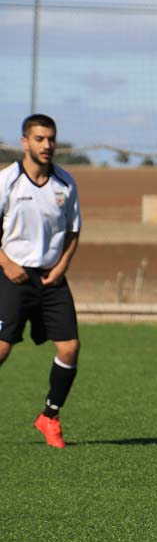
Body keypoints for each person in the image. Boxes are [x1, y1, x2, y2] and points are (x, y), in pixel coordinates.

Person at [0, 114, 82, 448]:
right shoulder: (7, 181)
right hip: (12, 275)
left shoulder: (65, 182)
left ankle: (49, 417)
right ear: (25, 142)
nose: (47, 145)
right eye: (39, 138)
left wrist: (62, 266)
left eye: (51, 138)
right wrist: (6, 264)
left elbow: (74, 230)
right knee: (1, 349)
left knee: (70, 347)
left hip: (51, 278)